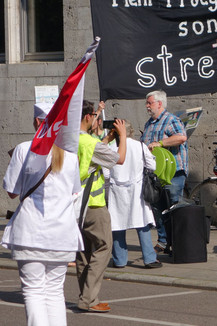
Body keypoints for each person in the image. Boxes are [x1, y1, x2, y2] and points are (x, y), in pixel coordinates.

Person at [2, 103, 84, 325]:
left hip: (31, 231)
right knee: (55, 293)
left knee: (34, 292)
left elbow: (12, 191)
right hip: (62, 233)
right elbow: (74, 190)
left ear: (38, 122)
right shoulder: (70, 154)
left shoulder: (23, 149)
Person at [76, 100, 127, 313]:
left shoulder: (69, 138)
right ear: (88, 117)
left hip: (74, 204)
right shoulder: (88, 142)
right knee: (105, 247)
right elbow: (120, 159)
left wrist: (106, 139)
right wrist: (122, 136)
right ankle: (89, 299)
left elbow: (91, 159)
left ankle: (86, 296)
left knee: (84, 253)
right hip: (93, 204)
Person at [107, 120, 162, 269]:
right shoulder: (140, 146)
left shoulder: (110, 147)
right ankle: (149, 258)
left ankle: (119, 260)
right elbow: (152, 166)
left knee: (117, 225)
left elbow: (105, 173)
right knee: (141, 223)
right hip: (136, 189)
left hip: (116, 190)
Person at [140, 90, 188, 254]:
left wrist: (160, 143)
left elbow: (181, 137)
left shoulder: (171, 120)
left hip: (173, 174)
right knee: (158, 209)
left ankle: (178, 242)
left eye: (150, 103)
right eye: (147, 103)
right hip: (155, 175)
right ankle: (163, 241)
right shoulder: (149, 124)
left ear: (159, 103)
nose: (147, 106)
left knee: (174, 208)